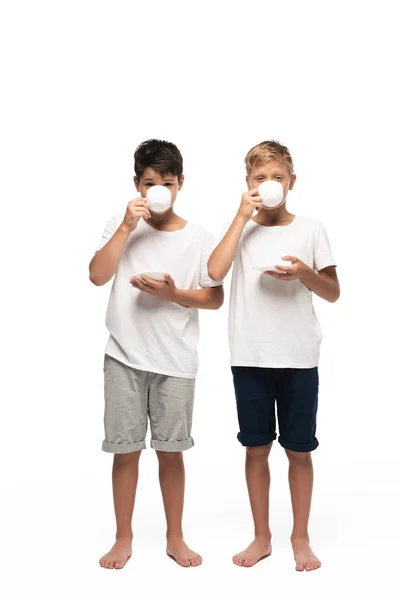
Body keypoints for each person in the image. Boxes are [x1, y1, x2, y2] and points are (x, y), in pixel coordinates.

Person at [89, 139, 223, 569]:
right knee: (125, 451)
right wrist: (127, 227)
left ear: (181, 183)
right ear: (137, 185)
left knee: (171, 451)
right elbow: (96, 275)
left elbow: (214, 298)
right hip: (124, 357)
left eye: (167, 182)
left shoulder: (199, 236)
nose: (159, 190)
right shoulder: (120, 224)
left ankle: (175, 537)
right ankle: (122, 537)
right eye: (150, 183)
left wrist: (173, 294)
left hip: (176, 362)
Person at [208, 140, 339, 571]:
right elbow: (213, 272)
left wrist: (304, 273)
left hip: (299, 357)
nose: (269, 185)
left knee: (300, 450)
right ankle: (261, 536)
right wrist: (240, 216)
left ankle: (300, 536)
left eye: (277, 177)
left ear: (292, 182)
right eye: (260, 178)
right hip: (249, 356)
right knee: (256, 448)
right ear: (248, 184)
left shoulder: (312, 229)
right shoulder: (240, 228)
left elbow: (333, 293)